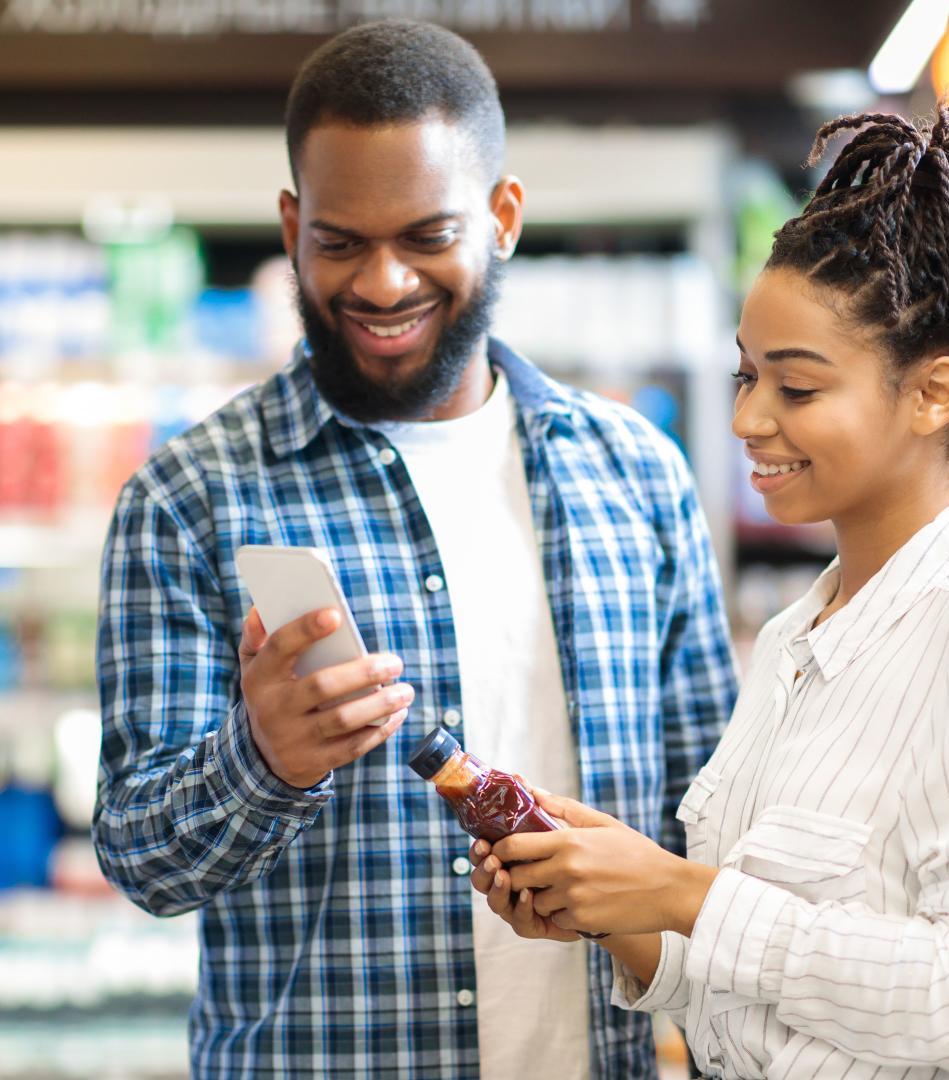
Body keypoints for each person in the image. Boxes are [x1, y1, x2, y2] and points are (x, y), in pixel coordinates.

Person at [93, 19, 737, 1080]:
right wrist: (261, 762)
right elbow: (140, 858)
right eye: (340, 242)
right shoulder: (191, 497)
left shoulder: (635, 476)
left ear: (503, 217)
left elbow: (715, 828)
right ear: (293, 227)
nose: (384, 284)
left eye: (427, 237)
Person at [469, 106, 949, 1080]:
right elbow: (754, 984)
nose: (746, 418)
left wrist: (686, 893)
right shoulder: (793, 636)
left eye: (797, 389)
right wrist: (614, 909)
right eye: (744, 375)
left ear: (934, 393)